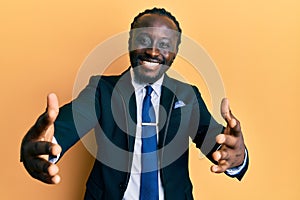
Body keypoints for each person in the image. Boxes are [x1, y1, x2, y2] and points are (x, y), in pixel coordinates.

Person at [20, 8, 249, 200]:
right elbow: (69, 123)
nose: (152, 51)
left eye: (164, 44)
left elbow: (217, 143)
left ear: (175, 51)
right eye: (144, 40)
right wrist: (44, 146)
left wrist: (236, 157)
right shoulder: (102, 90)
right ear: (130, 42)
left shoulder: (186, 95)